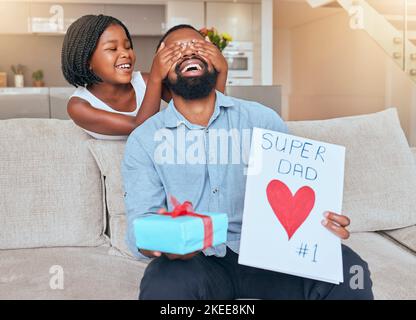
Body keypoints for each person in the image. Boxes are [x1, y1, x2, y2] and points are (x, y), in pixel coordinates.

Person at [122, 24, 374, 300]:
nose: (188, 53)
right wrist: (165, 242)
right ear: (160, 69)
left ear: (215, 59)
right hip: (196, 260)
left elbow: (293, 190)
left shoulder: (263, 120)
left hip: (270, 254)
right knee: (163, 282)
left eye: (197, 46)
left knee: (349, 270)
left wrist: (321, 224)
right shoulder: (144, 140)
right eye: (175, 51)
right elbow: (140, 227)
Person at [61, 16, 228, 140]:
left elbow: (200, 112)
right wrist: (156, 75)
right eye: (112, 49)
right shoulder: (79, 106)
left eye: (128, 46)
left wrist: (222, 71)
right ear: (87, 60)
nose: (125, 54)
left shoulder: (144, 81)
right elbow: (139, 127)